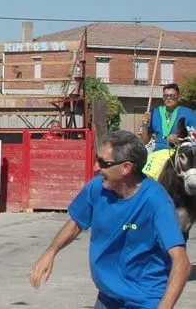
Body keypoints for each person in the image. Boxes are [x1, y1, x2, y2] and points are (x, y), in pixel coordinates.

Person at [30, 130, 190, 308]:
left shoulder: (156, 201)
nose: (95, 168)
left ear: (126, 168)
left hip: (145, 300)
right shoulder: (97, 188)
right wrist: (50, 253)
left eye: (103, 163)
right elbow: (75, 223)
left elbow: (181, 263)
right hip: (108, 296)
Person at [139, 84, 196, 151]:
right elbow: (144, 142)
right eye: (165, 96)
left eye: (172, 96)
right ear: (163, 98)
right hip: (158, 152)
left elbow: (194, 138)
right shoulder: (154, 113)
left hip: (180, 152)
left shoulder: (188, 113)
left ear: (179, 98)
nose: (168, 98)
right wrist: (144, 124)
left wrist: (179, 139)